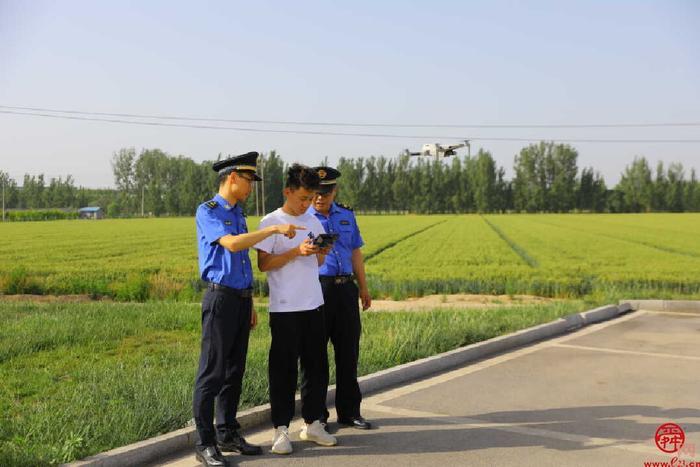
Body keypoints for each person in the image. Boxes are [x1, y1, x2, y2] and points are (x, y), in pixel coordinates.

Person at [193, 151, 305, 467]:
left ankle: (227, 432)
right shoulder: (209, 210)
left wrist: (250, 300)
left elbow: (242, 264)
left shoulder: (239, 213)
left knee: (233, 372)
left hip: (240, 299)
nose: (251, 187)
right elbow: (231, 245)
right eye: (248, 180)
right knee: (211, 372)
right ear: (232, 178)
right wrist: (271, 231)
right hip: (220, 300)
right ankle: (204, 442)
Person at [254, 163, 338, 455]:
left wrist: (320, 253)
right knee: (284, 370)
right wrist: (295, 252)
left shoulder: (314, 222)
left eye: (311, 197)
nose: (307, 203)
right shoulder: (270, 222)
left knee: (316, 367)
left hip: (314, 304)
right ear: (287, 191)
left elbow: (315, 265)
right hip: (285, 308)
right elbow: (264, 264)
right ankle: (280, 430)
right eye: (303, 197)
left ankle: (314, 423)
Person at [310, 166, 372, 430]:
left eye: (325, 192)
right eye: (316, 192)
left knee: (348, 353)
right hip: (318, 290)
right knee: (316, 356)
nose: (320, 198)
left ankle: (349, 412)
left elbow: (355, 251)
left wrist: (363, 287)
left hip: (345, 289)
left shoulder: (346, 214)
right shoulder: (304, 219)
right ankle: (317, 417)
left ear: (334, 191)